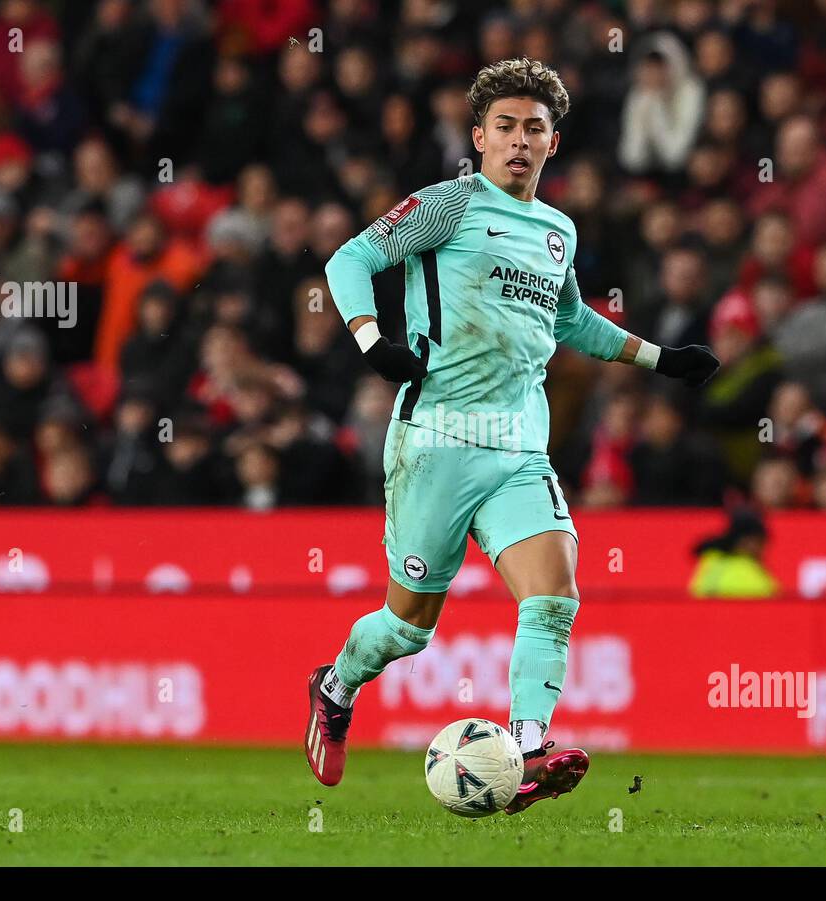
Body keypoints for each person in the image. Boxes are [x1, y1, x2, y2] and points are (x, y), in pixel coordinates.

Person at [306, 58, 720, 813]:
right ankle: (334, 687)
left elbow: (570, 324)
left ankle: (528, 747)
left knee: (555, 591)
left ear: (553, 143)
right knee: (407, 628)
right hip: (434, 439)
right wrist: (372, 342)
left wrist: (664, 361)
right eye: (505, 128)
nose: (519, 141)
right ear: (480, 137)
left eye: (534, 128)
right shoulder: (449, 204)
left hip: (519, 447)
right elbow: (351, 258)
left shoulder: (557, 230)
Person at [688, 508, 779, 598]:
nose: (763, 548)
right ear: (745, 541)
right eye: (761, 541)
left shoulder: (711, 561)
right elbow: (771, 596)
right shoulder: (748, 570)